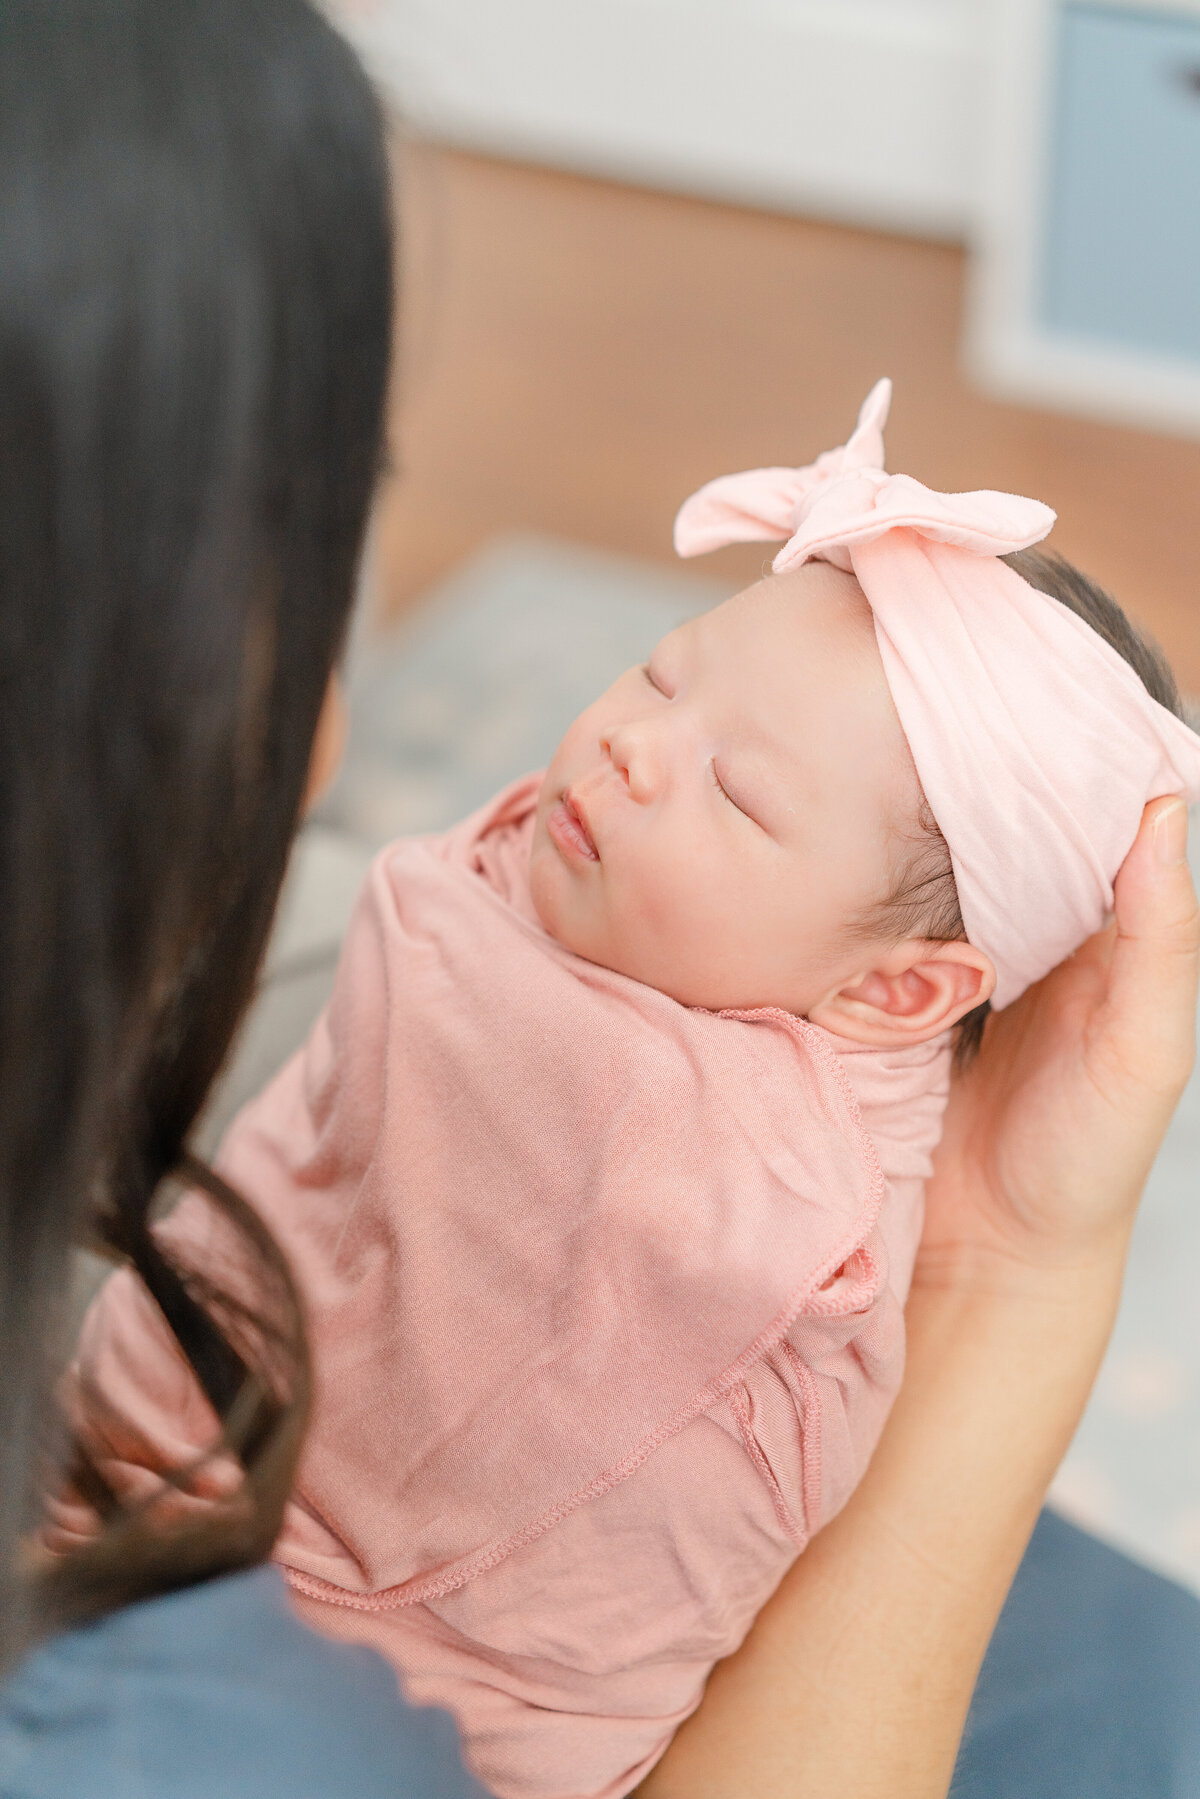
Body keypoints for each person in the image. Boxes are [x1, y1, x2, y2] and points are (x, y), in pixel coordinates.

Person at [0, 5, 1198, 1799]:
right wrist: (1030, 1273)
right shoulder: (176, 1733)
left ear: (895, 992)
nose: (635, 748)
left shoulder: (770, 1197)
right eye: (657, 678)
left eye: (734, 783)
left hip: (478, 1611)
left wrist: (1006, 1254)